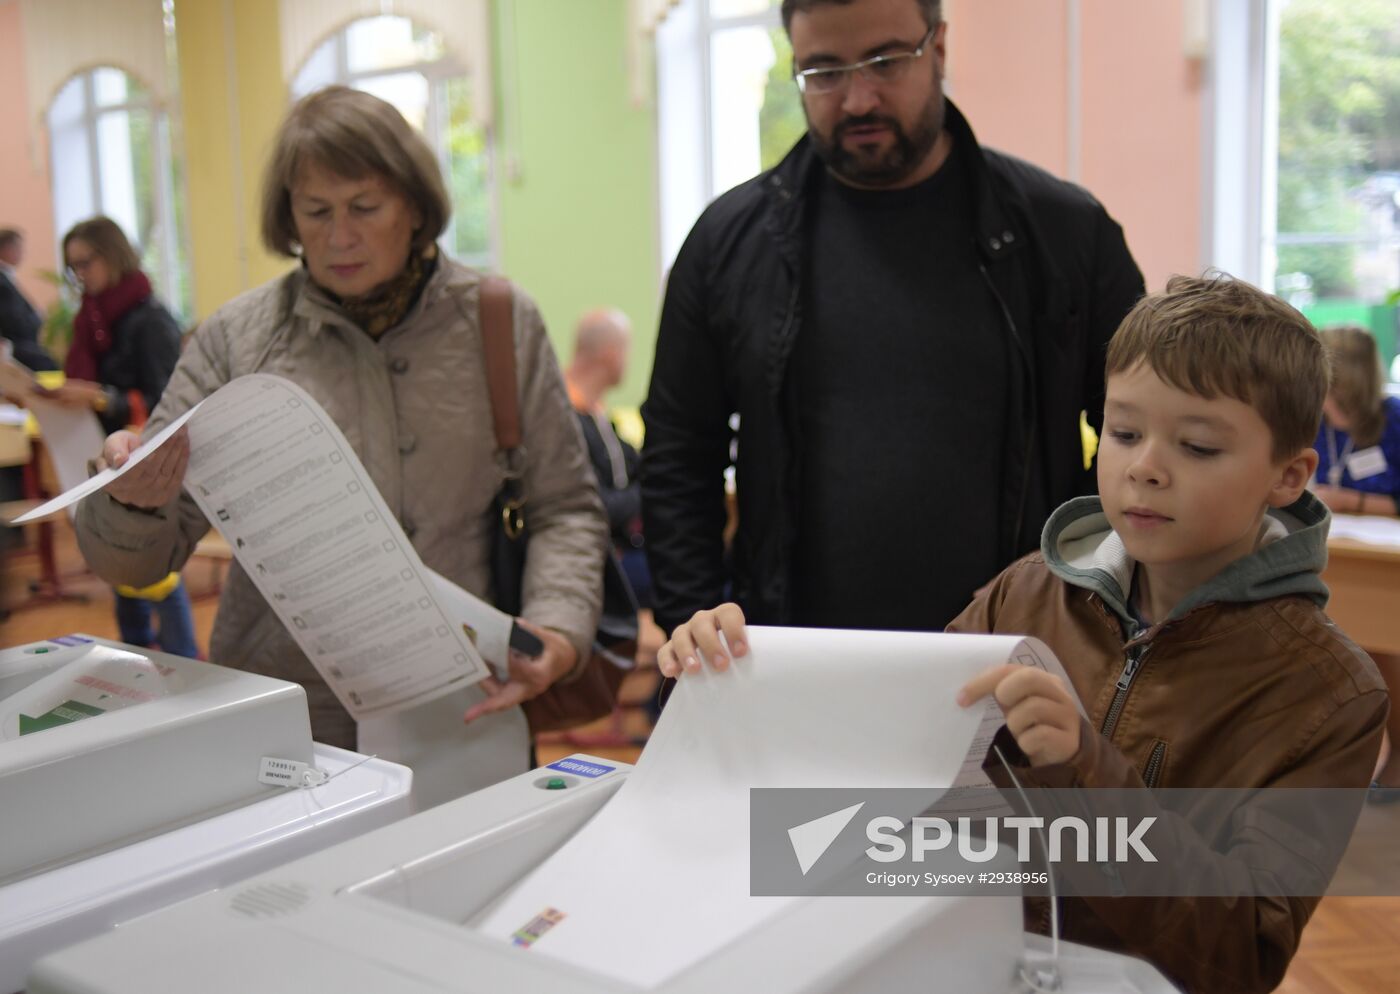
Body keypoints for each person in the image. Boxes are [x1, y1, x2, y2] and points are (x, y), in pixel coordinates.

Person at [656, 275, 1388, 994]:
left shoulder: (1329, 695)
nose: (1144, 468)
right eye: (1123, 432)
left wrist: (1084, 769)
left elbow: (1240, 957)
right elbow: (896, 767)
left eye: (1197, 447)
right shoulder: (1029, 591)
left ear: (1288, 476)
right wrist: (747, 675)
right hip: (959, 962)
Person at [74, 86, 608, 807]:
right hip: (287, 716)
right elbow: (140, 558)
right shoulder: (238, 338)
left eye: (364, 207)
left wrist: (556, 634)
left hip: (463, 702)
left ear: (415, 206)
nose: (338, 236)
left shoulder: (499, 323)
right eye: (315, 212)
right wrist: (130, 503)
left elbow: (565, 507)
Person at [641, 0, 1144, 640]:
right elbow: (679, 455)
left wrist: (1085, 604)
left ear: (938, 49)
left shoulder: (1066, 235)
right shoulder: (728, 245)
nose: (857, 99)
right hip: (794, 660)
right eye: (823, 71)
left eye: (884, 62)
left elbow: (1141, 436)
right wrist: (695, 629)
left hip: (1019, 660)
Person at [47, 216, 197, 659]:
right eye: (71, 267)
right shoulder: (91, 321)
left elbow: (168, 403)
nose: (79, 276)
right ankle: (137, 664)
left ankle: (184, 666)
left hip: (152, 464)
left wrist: (102, 400)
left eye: (85, 263)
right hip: (106, 462)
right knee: (118, 567)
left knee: (157, 576)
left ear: (112, 255)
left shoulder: (150, 320)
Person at [1312, 324, 1400, 799]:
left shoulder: (1394, 420)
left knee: (1380, 644)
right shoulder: (1315, 422)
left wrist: (1351, 501)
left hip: (1386, 559)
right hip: (1335, 550)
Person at [564, 307, 650, 607]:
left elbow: (633, 464)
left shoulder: (596, 413)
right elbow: (595, 505)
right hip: (599, 560)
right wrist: (647, 493)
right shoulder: (566, 418)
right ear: (612, 354)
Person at [0, 228, 58, 371]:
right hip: (14, 347)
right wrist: (36, 319)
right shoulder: (2, 282)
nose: (23, 253)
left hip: (19, 345)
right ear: (6, 249)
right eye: (19, 248)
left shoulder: (6, 278)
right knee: (48, 364)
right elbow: (13, 320)